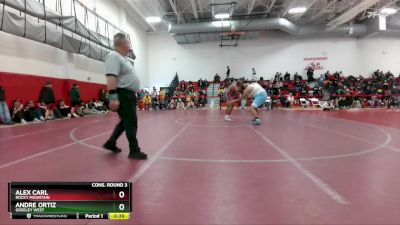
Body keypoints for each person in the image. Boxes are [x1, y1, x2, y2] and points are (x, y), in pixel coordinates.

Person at [102, 33, 147, 160]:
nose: (130, 46)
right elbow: (111, 76)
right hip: (123, 94)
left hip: (128, 95)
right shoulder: (113, 56)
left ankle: (111, 142)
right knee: (131, 123)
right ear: (122, 44)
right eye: (128, 43)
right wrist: (113, 97)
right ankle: (134, 151)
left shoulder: (123, 58)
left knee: (125, 122)